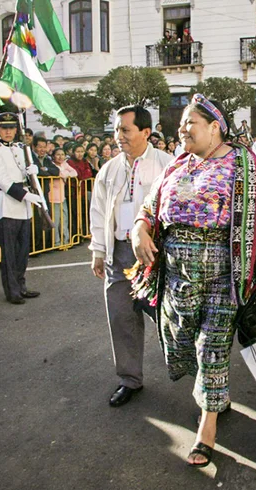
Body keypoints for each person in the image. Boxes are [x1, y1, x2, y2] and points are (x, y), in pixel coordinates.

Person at [131, 94, 256, 467]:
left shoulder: (245, 166)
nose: (182, 129)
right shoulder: (177, 164)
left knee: (212, 348)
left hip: (225, 274)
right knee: (183, 340)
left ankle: (207, 430)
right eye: (182, 123)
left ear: (215, 128)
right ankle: (213, 392)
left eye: (191, 123)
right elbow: (150, 206)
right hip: (176, 277)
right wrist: (141, 228)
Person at [89, 105, 172, 408]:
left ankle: (197, 379)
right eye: (116, 130)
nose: (118, 136)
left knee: (170, 318)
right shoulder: (109, 169)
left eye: (125, 130)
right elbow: (98, 212)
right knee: (122, 318)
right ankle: (129, 379)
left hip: (156, 256)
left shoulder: (167, 165)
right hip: (119, 255)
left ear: (145, 132)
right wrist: (99, 251)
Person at [0, 113, 43, 304]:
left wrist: (32, 171)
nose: (8, 132)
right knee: (9, 252)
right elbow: (1, 179)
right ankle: (12, 291)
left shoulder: (19, 147)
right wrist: (26, 195)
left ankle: (21, 285)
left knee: (23, 251)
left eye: (11, 128)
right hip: (7, 203)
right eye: (4, 128)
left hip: (23, 205)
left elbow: (24, 172)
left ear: (16, 129)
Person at [48, 147, 75, 245]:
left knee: (64, 219)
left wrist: (64, 174)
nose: (60, 157)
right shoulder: (51, 165)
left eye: (62, 154)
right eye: (58, 154)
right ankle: (57, 242)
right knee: (55, 221)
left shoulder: (65, 164)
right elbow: (56, 173)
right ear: (53, 156)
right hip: (53, 197)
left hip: (62, 196)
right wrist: (64, 174)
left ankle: (66, 240)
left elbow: (74, 173)